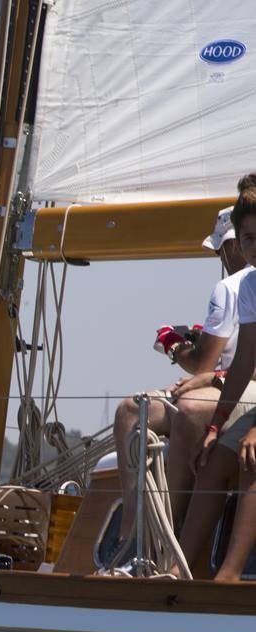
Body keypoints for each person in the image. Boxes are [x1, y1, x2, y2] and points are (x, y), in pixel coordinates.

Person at [109, 206, 254, 552]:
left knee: (139, 411)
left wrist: (174, 347)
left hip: (231, 387)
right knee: (136, 410)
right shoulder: (246, 288)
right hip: (228, 383)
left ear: (229, 247)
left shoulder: (229, 287)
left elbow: (204, 362)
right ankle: (148, 536)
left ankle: (144, 536)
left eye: (219, 249)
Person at [178, 186, 256, 579]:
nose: (255, 246)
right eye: (248, 239)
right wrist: (213, 427)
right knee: (214, 458)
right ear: (238, 243)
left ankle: (228, 575)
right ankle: (180, 571)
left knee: (251, 458)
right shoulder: (249, 286)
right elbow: (244, 363)